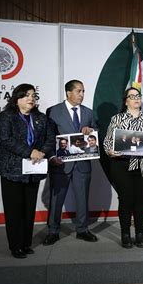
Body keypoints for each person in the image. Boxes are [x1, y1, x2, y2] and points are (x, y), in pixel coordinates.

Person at [0, 84, 54, 258]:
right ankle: (15, 246)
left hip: (33, 170)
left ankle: (26, 243)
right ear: (17, 99)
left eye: (33, 95)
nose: (30, 99)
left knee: (29, 209)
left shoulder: (41, 118)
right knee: (14, 210)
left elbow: (50, 138)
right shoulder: (7, 116)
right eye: (26, 95)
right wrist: (30, 152)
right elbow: (4, 138)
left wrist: (42, 152)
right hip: (11, 170)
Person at [43, 79, 98, 245]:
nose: (82, 94)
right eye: (78, 91)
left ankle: (82, 229)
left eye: (83, 91)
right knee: (56, 199)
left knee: (83, 198)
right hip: (60, 164)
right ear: (68, 93)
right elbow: (48, 137)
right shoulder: (53, 111)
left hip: (82, 164)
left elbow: (95, 132)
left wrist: (91, 131)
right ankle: (53, 231)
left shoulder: (88, 112)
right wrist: (52, 157)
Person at [104, 87, 143, 248]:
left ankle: (140, 233)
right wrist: (110, 151)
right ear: (125, 100)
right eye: (132, 96)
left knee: (141, 200)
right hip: (121, 165)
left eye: (138, 96)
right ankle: (125, 233)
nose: (136, 99)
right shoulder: (116, 119)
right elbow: (107, 142)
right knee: (126, 200)